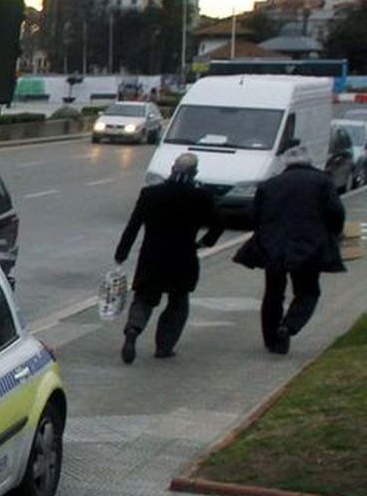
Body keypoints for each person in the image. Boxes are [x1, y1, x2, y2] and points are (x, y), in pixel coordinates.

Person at [233, 146, 347, 354]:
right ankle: (289, 326)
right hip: (309, 246)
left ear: (285, 163)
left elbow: (252, 216)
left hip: (272, 246)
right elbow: (335, 211)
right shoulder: (322, 182)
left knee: (273, 292)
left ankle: (271, 339)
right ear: (309, 161)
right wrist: (335, 233)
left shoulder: (270, 184)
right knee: (308, 291)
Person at [113, 152, 224, 363]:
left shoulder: (150, 194)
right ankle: (164, 346)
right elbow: (219, 224)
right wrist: (204, 243)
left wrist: (122, 253)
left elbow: (133, 226)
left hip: (152, 256)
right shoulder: (201, 197)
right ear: (195, 173)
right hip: (183, 257)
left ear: (172, 168)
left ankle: (133, 330)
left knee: (144, 298)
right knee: (178, 301)